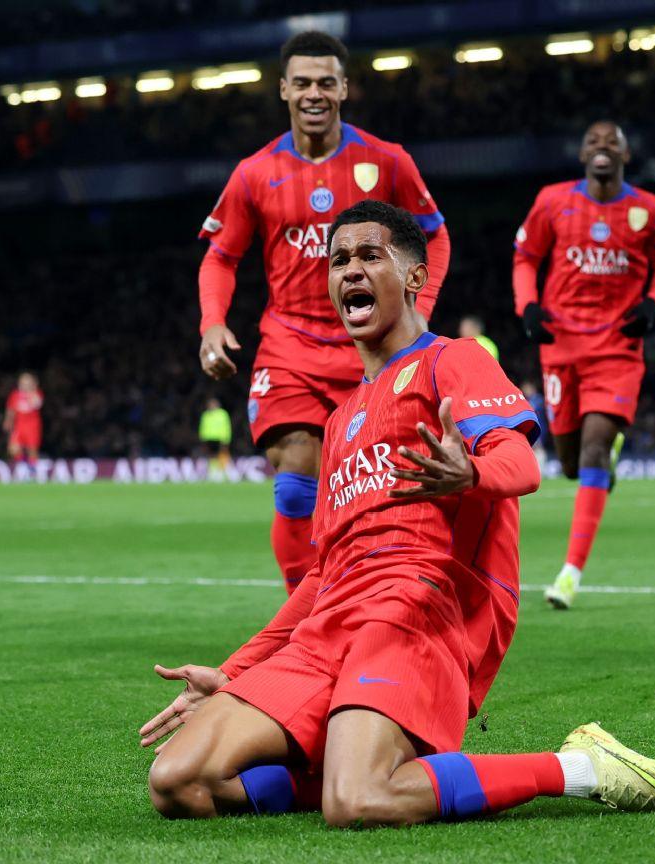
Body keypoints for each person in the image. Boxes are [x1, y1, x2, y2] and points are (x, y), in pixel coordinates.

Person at [140, 201, 655, 826]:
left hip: (415, 607)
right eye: (338, 260)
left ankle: (580, 768)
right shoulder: (340, 419)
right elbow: (322, 575)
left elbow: (520, 463)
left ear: (415, 276)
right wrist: (233, 670)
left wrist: (472, 474)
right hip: (332, 623)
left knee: (357, 803)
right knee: (176, 782)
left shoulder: (452, 360)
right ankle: (343, 767)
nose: (350, 270)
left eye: (370, 255)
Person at [198, 31, 451, 596]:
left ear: (344, 88)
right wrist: (212, 322)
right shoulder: (255, 173)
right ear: (284, 90)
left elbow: (435, 236)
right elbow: (220, 257)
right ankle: (308, 621)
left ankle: (366, 596)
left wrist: (419, 307)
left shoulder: (386, 160)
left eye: (326, 82)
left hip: (372, 350)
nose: (314, 93)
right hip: (288, 344)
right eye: (303, 82)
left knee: (371, 492)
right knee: (295, 482)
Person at [511, 120, 655, 610]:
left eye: (612, 141)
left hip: (617, 348)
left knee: (594, 449)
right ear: (582, 154)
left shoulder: (650, 210)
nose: (602, 146)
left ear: (626, 154)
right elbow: (526, 257)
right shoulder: (552, 201)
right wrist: (528, 306)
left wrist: (653, 304)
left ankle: (570, 574)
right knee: (569, 464)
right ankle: (604, 456)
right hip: (561, 347)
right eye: (593, 141)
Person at [3, 372, 44, 467]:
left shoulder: (37, 393)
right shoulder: (14, 395)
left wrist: (31, 392)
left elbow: (37, 404)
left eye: (27, 383)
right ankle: (24, 463)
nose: (24, 385)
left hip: (33, 426)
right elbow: (11, 409)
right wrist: (8, 420)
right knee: (13, 449)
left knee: (32, 450)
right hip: (19, 426)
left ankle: (33, 469)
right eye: (22, 383)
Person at [198, 397, 233, 479]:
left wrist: (226, 439)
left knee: (222, 455)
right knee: (211, 456)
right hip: (209, 438)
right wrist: (202, 438)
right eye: (210, 404)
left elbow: (226, 426)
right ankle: (213, 472)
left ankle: (224, 471)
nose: (212, 406)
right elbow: (202, 427)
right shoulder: (205, 415)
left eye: (213, 404)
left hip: (220, 438)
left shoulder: (223, 414)